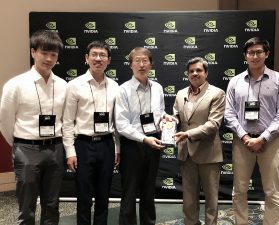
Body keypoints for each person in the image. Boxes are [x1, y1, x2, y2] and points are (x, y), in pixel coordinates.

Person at [0, 30, 66, 225]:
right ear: (33, 52)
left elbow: (64, 119)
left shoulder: (62, 85)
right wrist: (21, 144)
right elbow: (5, 121)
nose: (48, 59)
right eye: (44, 53)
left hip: (55, 149)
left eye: (53, 54)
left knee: (52, 204)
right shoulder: (16, 85)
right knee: (27, 205)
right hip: (26, 150)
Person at [224, 37, 279, 225]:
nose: (254, 56)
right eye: (250, 52)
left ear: (266, 54)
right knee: (239, 190)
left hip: (270, 142)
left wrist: (263, 138)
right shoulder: (235, 81)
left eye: (259, 52)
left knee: (272, 192)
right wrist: (245, 137)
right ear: (245, 56)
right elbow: (229, 114)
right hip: (242, 142)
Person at [62, 41, 120, 225]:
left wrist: (117, 147)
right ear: (86, 58)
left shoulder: (115, 86)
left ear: (109, 60)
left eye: (102, 55)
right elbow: (67, 121)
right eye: (94, 54)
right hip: (83, 145)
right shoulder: (75, 85)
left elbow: (117, 122)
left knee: (104, 195)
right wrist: (70, 151)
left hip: (107, 144)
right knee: (84, 196)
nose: (98, 58)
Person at [115, 47, 174, 225]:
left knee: (149, 191)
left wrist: (165, 117)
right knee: (129, 192)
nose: (141, 64)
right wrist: (143, 139)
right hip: (132, 144)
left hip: (154, 142)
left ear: (151, 64)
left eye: (145, 61)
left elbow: (159, 111)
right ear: (130, 64)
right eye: (137, 61)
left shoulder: (157, 87)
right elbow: (121, 124)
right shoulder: (123, 90)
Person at [172, 57, 225, 225]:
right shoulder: (181, 94)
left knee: (211, 199)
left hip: (208, 153)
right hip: (186, 153)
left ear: (206, 73)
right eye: (191, 71)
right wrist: (169, 120)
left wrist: (188, 134)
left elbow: (213, 124)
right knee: (188, 199)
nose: (195, 73)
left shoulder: (216, 93)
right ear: (187, 74)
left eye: (199, 70)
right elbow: (176, 117)